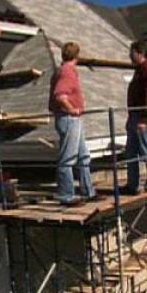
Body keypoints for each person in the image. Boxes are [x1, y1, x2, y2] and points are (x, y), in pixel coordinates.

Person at [49, 42, 100, 206]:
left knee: (83, 155)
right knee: (68, 158)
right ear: (77, 56)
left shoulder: (64, 70)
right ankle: (66, 195)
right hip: (69, 119)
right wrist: (72, 109)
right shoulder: (67, 72)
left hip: (72, 120)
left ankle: (88, 191)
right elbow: (60, 95)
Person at [121, 41, 147, 195]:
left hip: (145, 117)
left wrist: (145, 118)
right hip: (135, 116)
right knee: (131, 152)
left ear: (139, 53)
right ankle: (132, 184)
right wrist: (131, 117)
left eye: (131, 53)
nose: (129, 56)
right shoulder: (139, 70)